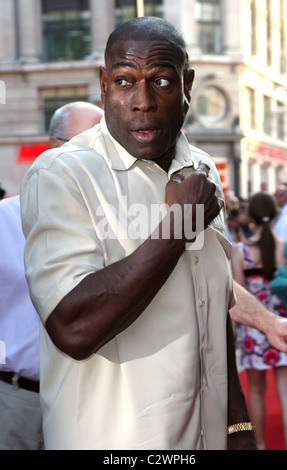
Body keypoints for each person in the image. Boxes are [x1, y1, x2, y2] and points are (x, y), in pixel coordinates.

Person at [20, 17, 257, 451]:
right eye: (126, 81)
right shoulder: (62, 173)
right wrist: (179, 226)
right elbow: (73, 329)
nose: (142, 101)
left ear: (187, 84)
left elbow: (209, 307)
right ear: (104, 84)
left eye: (161, 81)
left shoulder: (200, 168)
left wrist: (238, 426)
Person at [0, 101, 103, 450]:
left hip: (90, 402)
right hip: (18, 402)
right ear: (52, 146)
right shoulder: (4, 220)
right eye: (83, 146)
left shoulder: (114, 225)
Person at [232, 191, 287, 450]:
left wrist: (234, 335)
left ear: (251, 215)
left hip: (254, 332)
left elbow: (237, 296)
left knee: (257, 393)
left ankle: (260, 445)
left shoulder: (241, 251)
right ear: (275, 213)